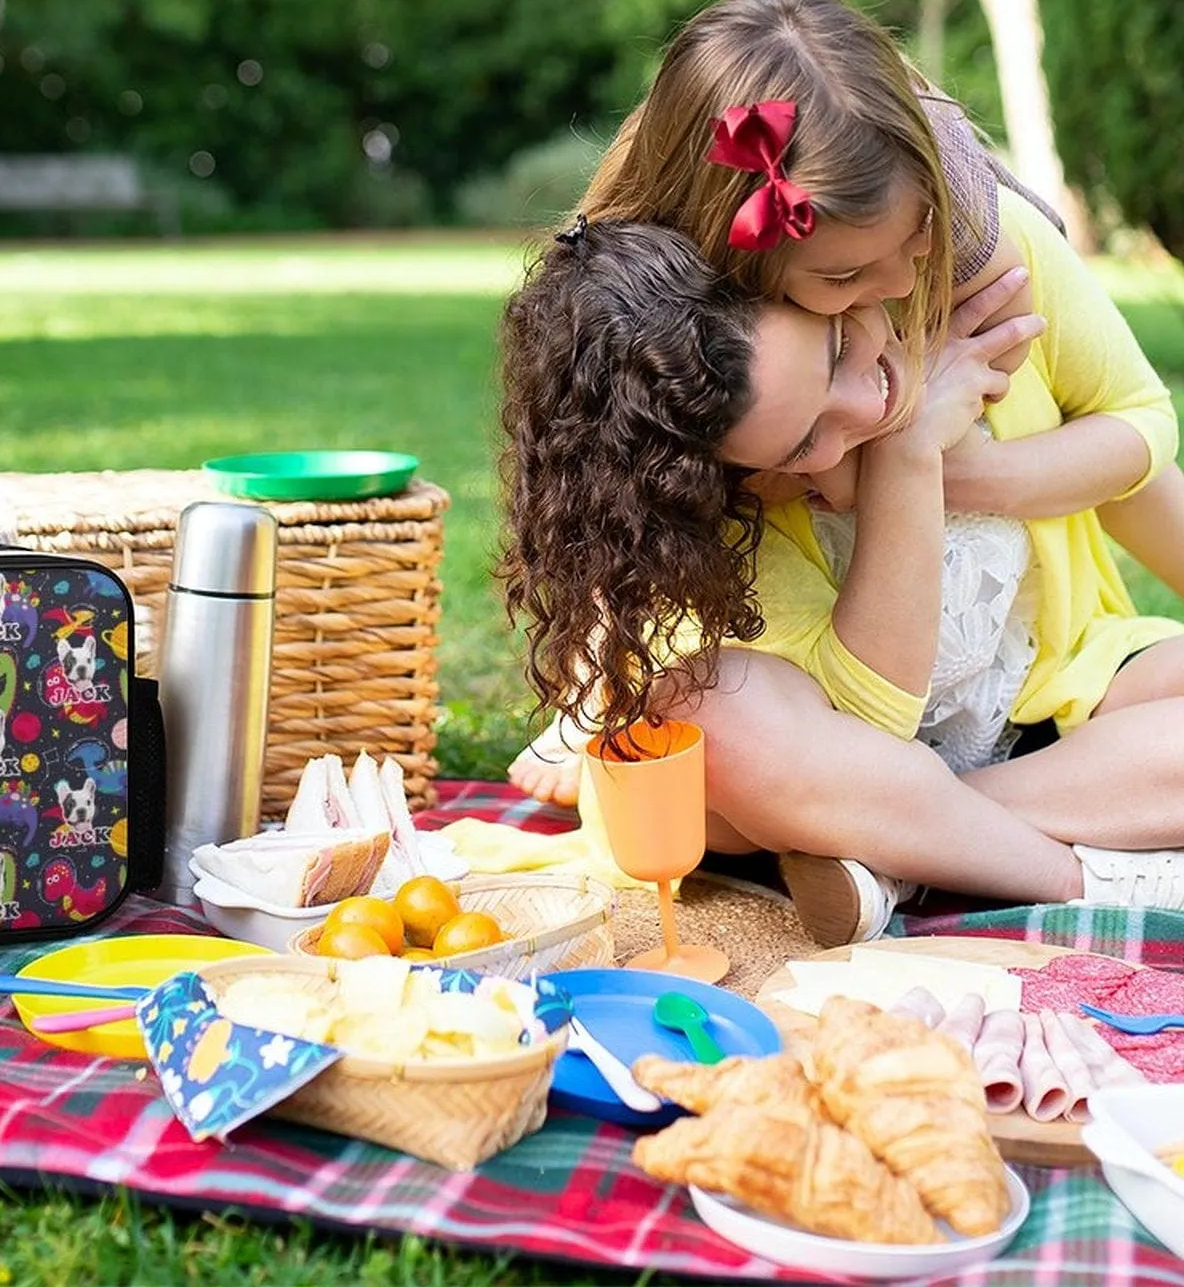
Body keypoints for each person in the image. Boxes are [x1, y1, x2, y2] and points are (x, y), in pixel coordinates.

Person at [505, 0, 1184, 813]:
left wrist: (955, 469)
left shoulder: (987, 256)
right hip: (833, 715)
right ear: (738, 262)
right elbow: (624, 520)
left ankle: (940, 830)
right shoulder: (706, 374)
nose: (899, 281)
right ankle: (957, 822)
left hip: (1050, 673)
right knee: (715, 752)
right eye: (843, 279)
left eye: (917, 236)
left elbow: (1142, 426)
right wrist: (896, 455)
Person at [447, 208, 1184, 942]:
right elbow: (872, 728)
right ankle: (1083, 877)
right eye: (805, 440)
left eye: (837, 350)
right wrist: (907, 452)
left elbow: (1140, 445)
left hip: (1037, 702)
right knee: (711, 712)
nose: (867, 405)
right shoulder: (715, 451)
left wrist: (962, 467)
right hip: (821, 762)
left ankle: (902, 857)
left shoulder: (979, 273)